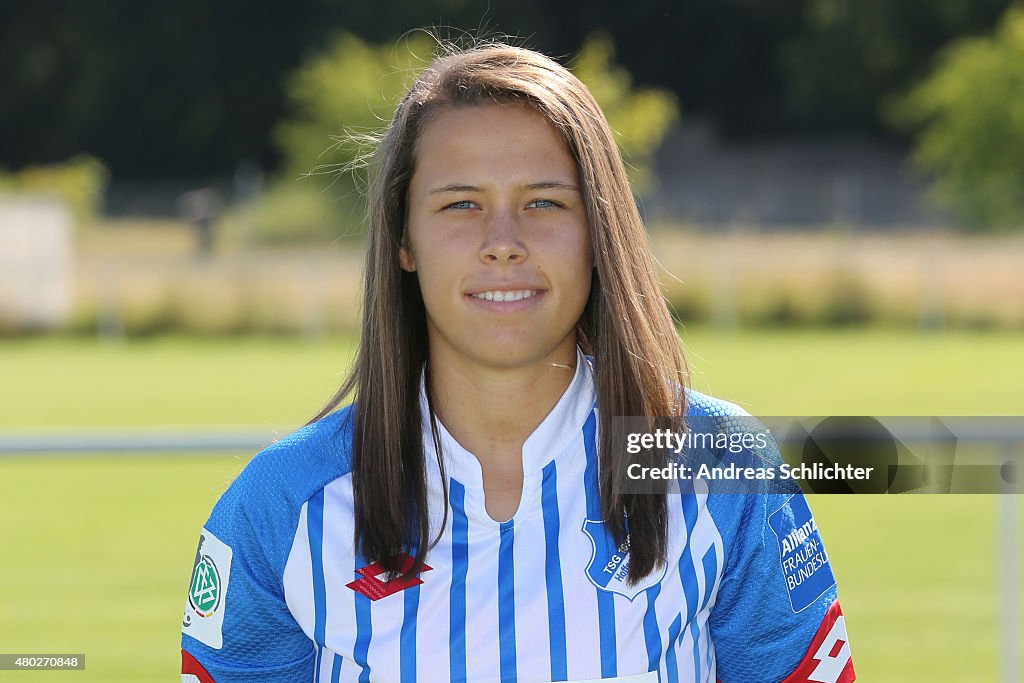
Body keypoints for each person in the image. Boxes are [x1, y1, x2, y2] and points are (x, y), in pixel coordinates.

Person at [180, 41, 855, 683]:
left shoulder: (719, 470)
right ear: (403, 237)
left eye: (544, 202)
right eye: (461, 204)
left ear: (598, 230)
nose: (503, 242)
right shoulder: (281, 505)